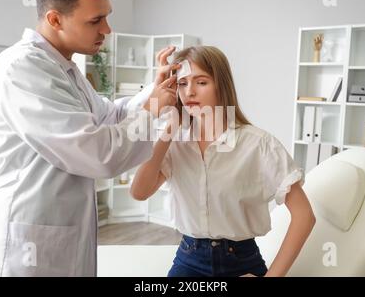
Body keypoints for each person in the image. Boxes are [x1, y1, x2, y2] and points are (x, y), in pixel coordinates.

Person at [0, 0, 178, 277]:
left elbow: (109, 116)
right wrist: (153, 107)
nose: (107, 29)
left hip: (55, 240)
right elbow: (98, 153)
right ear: (55, 19)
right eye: (96, 20)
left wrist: (153, 92)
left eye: (107, 16)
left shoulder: (66, 70)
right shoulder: (21, 69)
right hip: (23, 251)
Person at [130, 46, 316, 277]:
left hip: (241, 262)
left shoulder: (258, 144)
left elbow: (304, 216)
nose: (189, 92)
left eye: (201, 82)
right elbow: (139, 191)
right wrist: (170, 125)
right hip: (189, 259)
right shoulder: (174, 142)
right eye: (182, 83)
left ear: (221, 84)